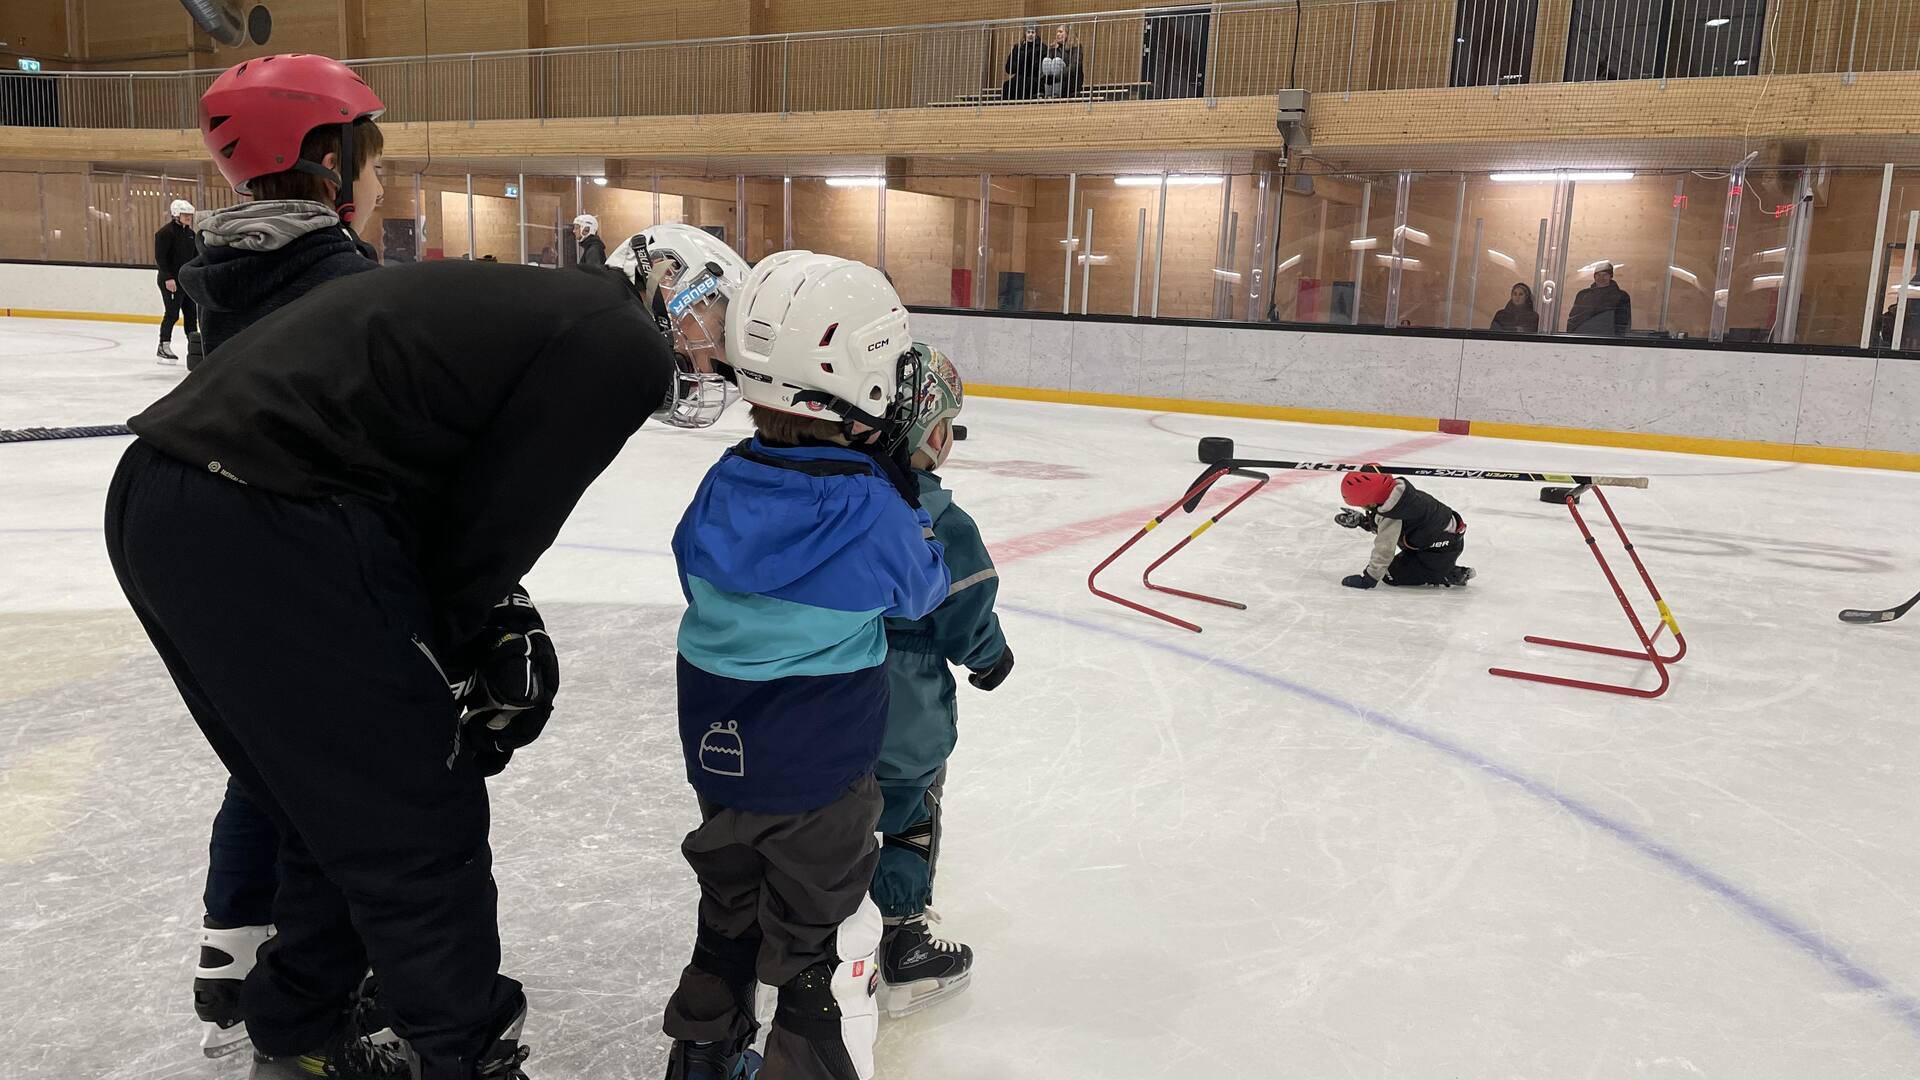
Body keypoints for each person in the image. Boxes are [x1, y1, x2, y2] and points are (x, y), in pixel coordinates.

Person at [105, 256, 699, 1079]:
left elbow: (441, 490)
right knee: (416, 817)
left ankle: (300, 1029)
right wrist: (452, 652)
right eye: (705, 316)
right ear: (666, 289)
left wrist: (478, 619)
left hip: (161, 499)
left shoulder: (537, 303)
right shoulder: (620, 341)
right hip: (271, 515)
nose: (710, 346)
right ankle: (459, 1055)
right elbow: (495, 525)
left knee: (327, 807)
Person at [659, 251, 949, 1080]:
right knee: (820, 936)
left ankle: (702, 1056)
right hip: (822, 770)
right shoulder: (872, 507)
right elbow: (922, 591)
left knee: (729, 911)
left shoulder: (724, 478)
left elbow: (692, 564)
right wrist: (905, 491)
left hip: (719, 757)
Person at [160, 53, 391, 1060]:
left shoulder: (226, 273)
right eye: (372, 159)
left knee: (259, 761)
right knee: (329, 778)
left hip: (226, 566)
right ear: (330, 164)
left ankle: (233, 953)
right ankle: (312, 978)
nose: (382, 180)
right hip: (313, 569)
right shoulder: (342, 285)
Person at [868, 344, 1010, 1019]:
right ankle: (903, 941)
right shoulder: (941, 520)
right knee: (910, 807)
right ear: (927, 431)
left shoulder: (845, 498)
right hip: (906, 699)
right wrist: (990, 657)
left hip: (827, 688)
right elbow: (967, 606)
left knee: (830, 812)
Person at [180, 53, 384, 362]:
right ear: (333, 171)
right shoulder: (358, 287)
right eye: (375, 169)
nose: (379, 191)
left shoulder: (220, 274)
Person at [1334, 470, 1474, 589]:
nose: (1362, 507)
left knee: (1391, 576)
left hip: (1440, 550)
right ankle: (1437, 567)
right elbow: (1387, 521)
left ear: (1371, 500)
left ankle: (1446, 573)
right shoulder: (1398, 495)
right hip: (1435, 538)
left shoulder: (1394, 514)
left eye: (1362, 505)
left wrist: (1369, 579)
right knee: (1403, 549)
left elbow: (1385, 548)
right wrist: (1363, 522)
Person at [155, 199, 198, 363]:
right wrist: (168, 278)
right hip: (171, 281)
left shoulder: (191, 234)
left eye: (190, 215)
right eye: (185, 214)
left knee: (191, 314)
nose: (188, 217)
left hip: (186, 281)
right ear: (176, 214)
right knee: (172, 314)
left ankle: (194, 347)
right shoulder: (165, 233)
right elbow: (160, 258)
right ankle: (163, 346)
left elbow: (195, 257)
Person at [1565, 262, 1631, 336]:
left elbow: (1622, 322)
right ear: (1594, 276)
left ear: (1611, 276)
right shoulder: (1583, 295)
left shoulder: (1621, 296)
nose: (1601, 278)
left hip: (1607, 339)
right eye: (1598, 275)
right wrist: (1570, 337)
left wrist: (1617, 340)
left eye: (1605, 275)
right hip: (1583, 337)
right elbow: (1573, 319)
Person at [1038, 24, 1084, 100]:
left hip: (1069, 81)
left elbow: (1074, 67)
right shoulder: (1053, 48)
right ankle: (1047, 94)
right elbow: (1046, 68)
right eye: (1057, 32)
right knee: (1046, 61)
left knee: (1057, 61)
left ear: (1068, 34)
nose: (1058, 34)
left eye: (1060, 32)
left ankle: (1056, 94)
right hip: (1053, 80)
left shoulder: (1076, 47)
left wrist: (1058, 75)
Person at [1001, 23, 1043, 100]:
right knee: (1007, 85)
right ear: (1025, 34)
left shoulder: (1042, 47)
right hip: (1019, 77)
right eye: (1028, 32)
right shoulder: (1018, 48)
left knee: (1023, 83)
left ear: (1036, 34)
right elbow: (1009, 68)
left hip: (1034, 78)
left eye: (1033, 32)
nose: (1030, 34)